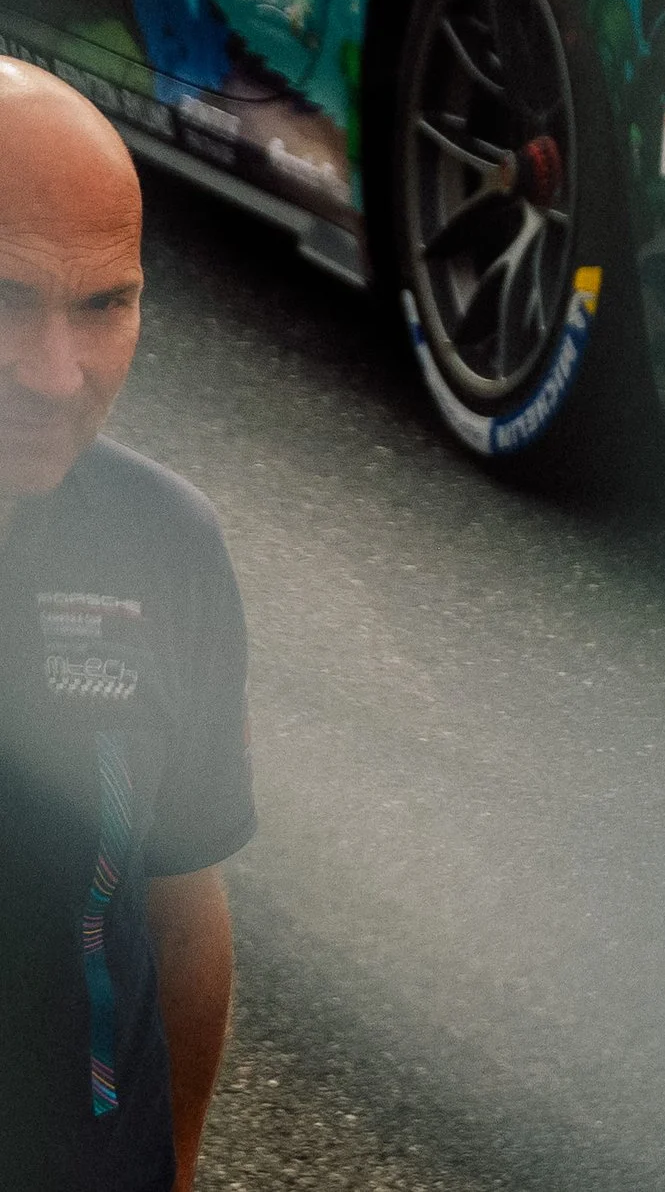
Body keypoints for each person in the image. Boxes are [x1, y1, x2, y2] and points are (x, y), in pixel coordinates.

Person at [0, 61, 253, 1192]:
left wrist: (176, 1167)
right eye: (4, 296)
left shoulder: (169, 550)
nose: (59, 375)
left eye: (106, 303)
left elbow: (182, 904)